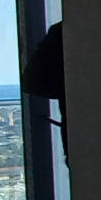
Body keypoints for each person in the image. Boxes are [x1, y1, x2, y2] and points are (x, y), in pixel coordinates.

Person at [22, 21, 66, 156]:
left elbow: (32, 82)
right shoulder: (64, 31)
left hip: (82, 134)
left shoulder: (64, 31)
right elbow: (32, 81)